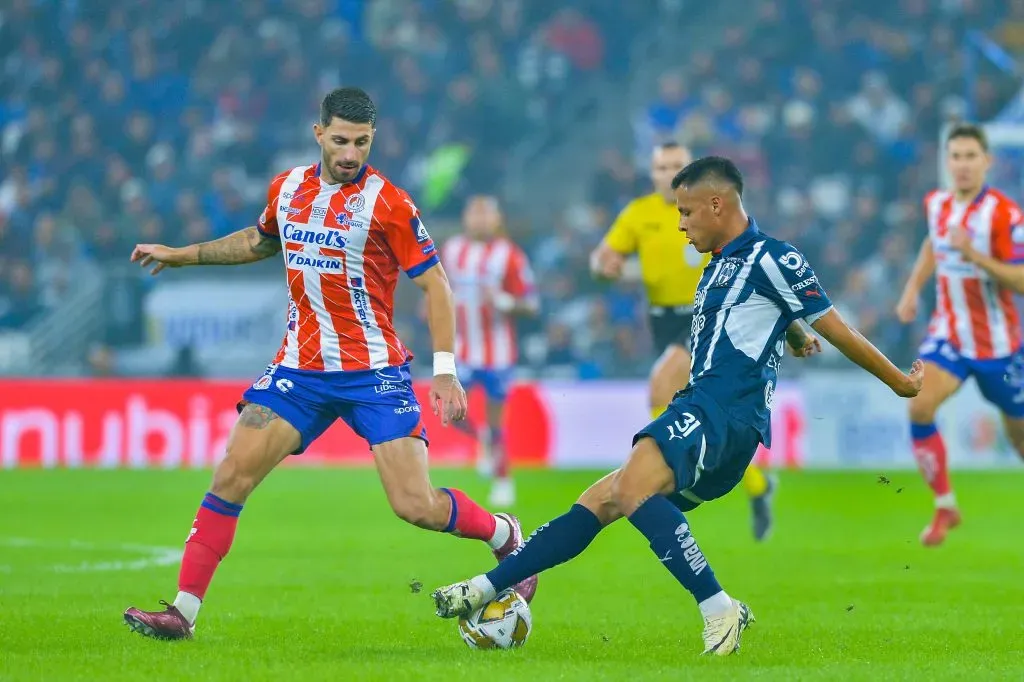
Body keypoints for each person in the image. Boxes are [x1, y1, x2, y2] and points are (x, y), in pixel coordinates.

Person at [433, 157, 924, 656]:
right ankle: (485, 588)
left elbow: (837, 328)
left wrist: (900, 382)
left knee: (631, 490)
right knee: (601, 500)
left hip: (725, 414)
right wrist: (792, 331)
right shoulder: (720, 266)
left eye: (687, 212)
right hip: (705, 409)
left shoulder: (774, 257)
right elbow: (770, 315)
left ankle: (718, 608)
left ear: (717, 204)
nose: (682, 224)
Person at [122, 87, 537, 640]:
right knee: (231, 474)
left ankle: (503, 534)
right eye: (340, 140)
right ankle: (182, 612)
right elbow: (260, 240)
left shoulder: (390, 203)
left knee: (415, 506)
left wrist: (443, 371)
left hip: (375, 373)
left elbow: (437, 285)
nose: (350, 153)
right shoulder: (287, 188)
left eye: (361, 142)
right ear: (319, 133)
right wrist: (182, 254)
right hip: (299, 371)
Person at [590, 142, 777, 541]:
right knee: (695, 406)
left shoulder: (706, 208)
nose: (666, 173)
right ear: (651, 171)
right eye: (661, 166)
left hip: (705, 315)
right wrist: (604, 266)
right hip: (662, 321)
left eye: (675, 165)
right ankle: (757, 485)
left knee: (660, 387)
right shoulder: (638, 214)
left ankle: (668, 468)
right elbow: (602, 257)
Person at [895, 122, 1024, 547]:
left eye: (971, 156)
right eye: (956, 156)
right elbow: (933, 244)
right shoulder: (937, 203)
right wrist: (913, 289)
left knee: (1019, 438)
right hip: (949, 336)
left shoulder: (1006, 214)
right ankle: (945, 505)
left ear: (987, 161)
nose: (963, 165)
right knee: (918, 404)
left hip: (1001, 347)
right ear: (946, 162)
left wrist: (974, 255)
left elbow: (1021, 279)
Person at [441, 196, 539, 507]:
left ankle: (503, 480)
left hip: (497, 352)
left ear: (497, 220)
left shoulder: (509, 256)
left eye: (486, 214)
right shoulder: (453, 250)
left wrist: (505, 302)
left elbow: (532, 304)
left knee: (498, 423)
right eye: (474, 213)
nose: (479, 220)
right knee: (449, 411)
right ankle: (481, 439)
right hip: (461, 349)